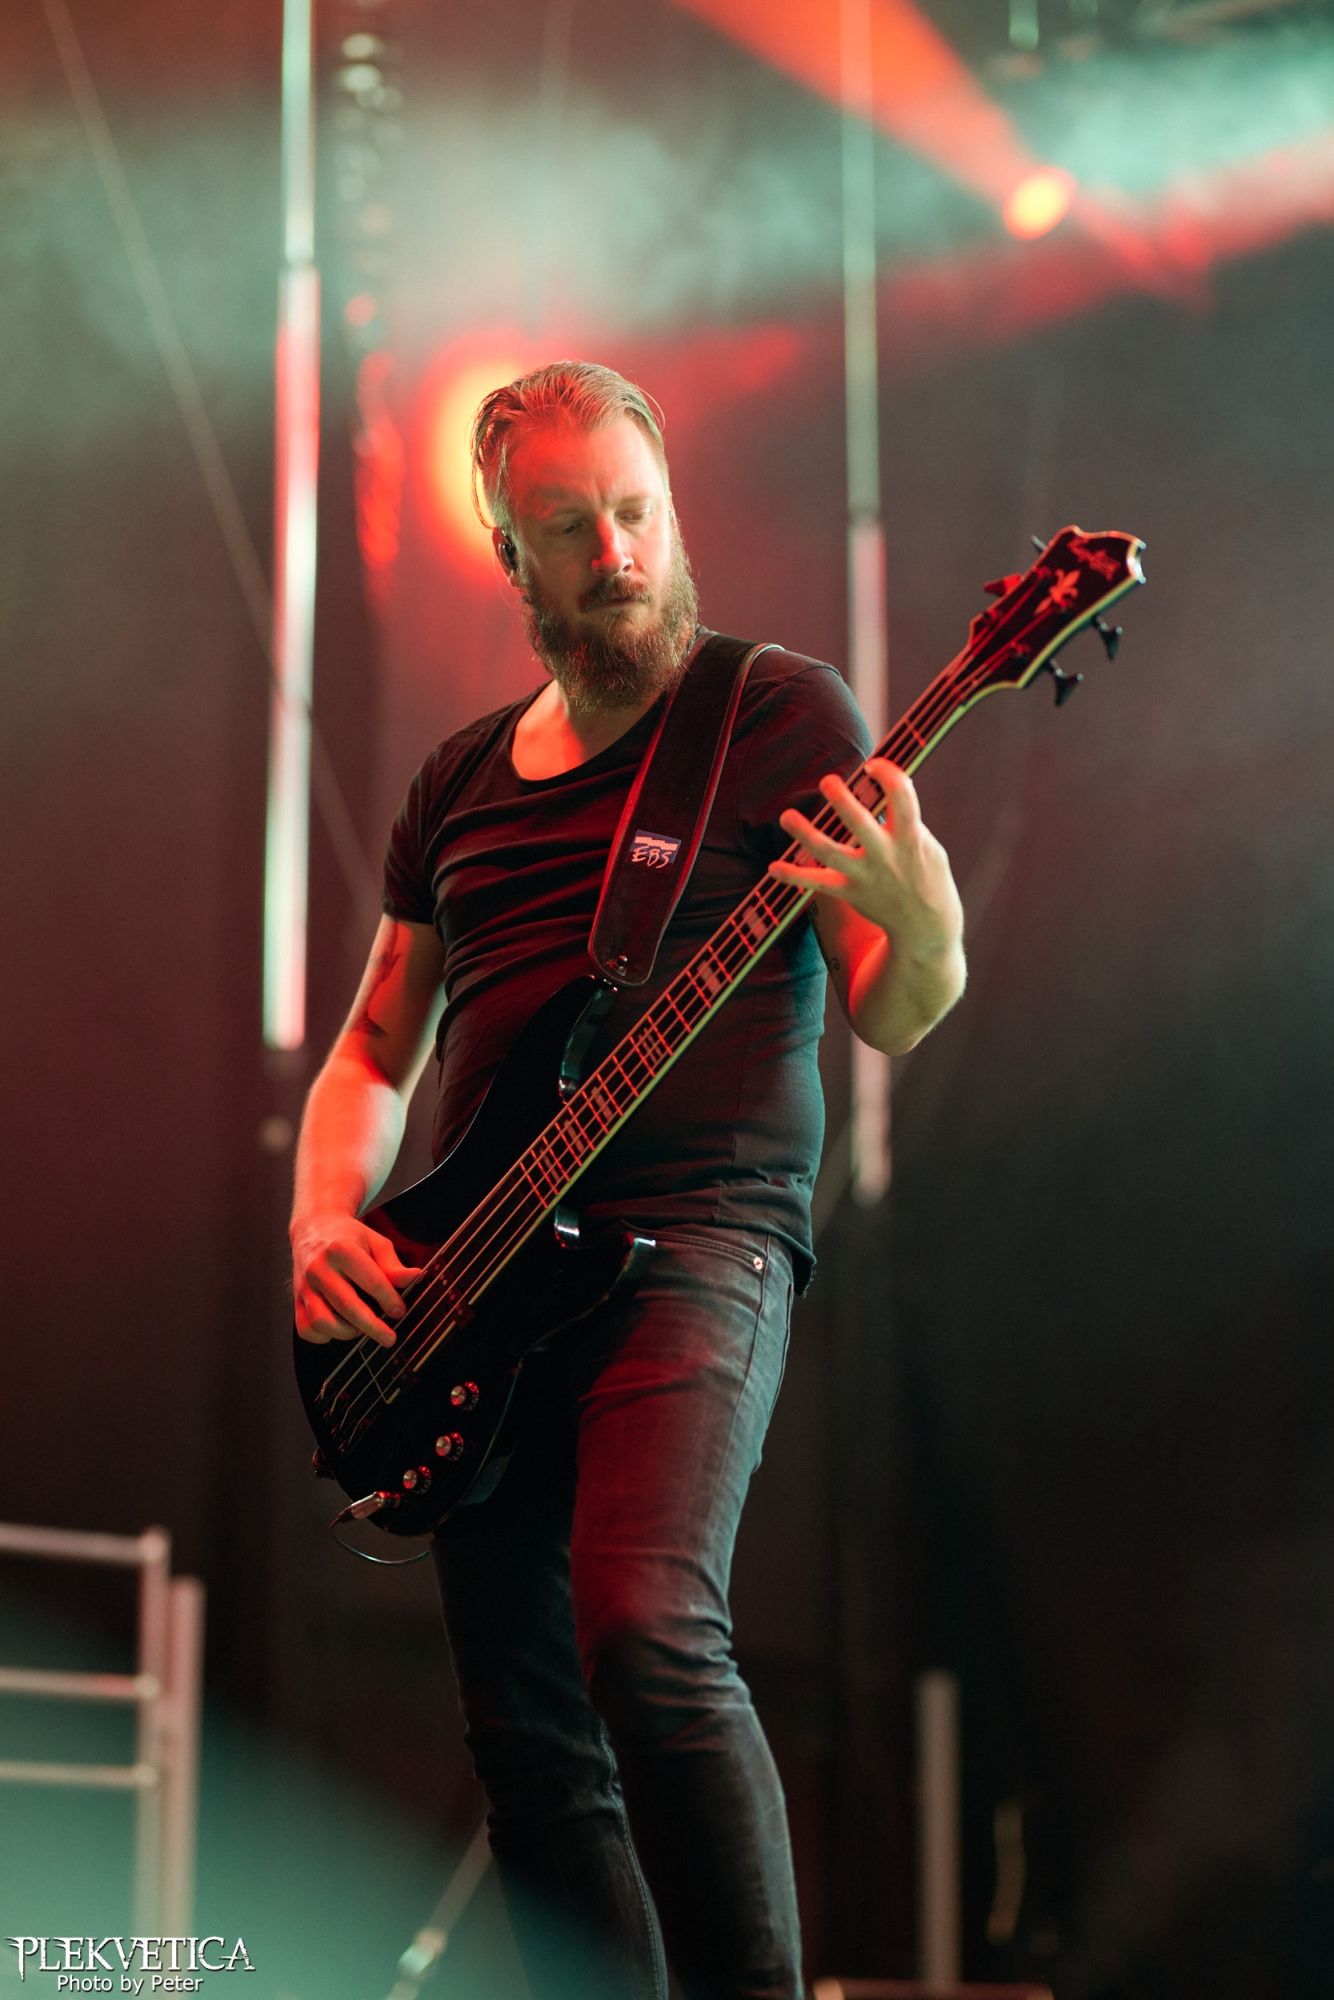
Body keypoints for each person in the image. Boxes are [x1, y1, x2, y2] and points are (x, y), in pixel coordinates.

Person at [290, 361, 966, 2000]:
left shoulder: (774, 712)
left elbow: (890, 1003)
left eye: (637, 512)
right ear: (506, 553)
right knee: (529, 1738)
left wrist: (929, 919)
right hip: (473, 1281)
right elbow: (373, 1050)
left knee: (647, 1631)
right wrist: (319, 1220)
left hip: (698, 1242)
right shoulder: (456, 783)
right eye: (571, 527)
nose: (617, 553)